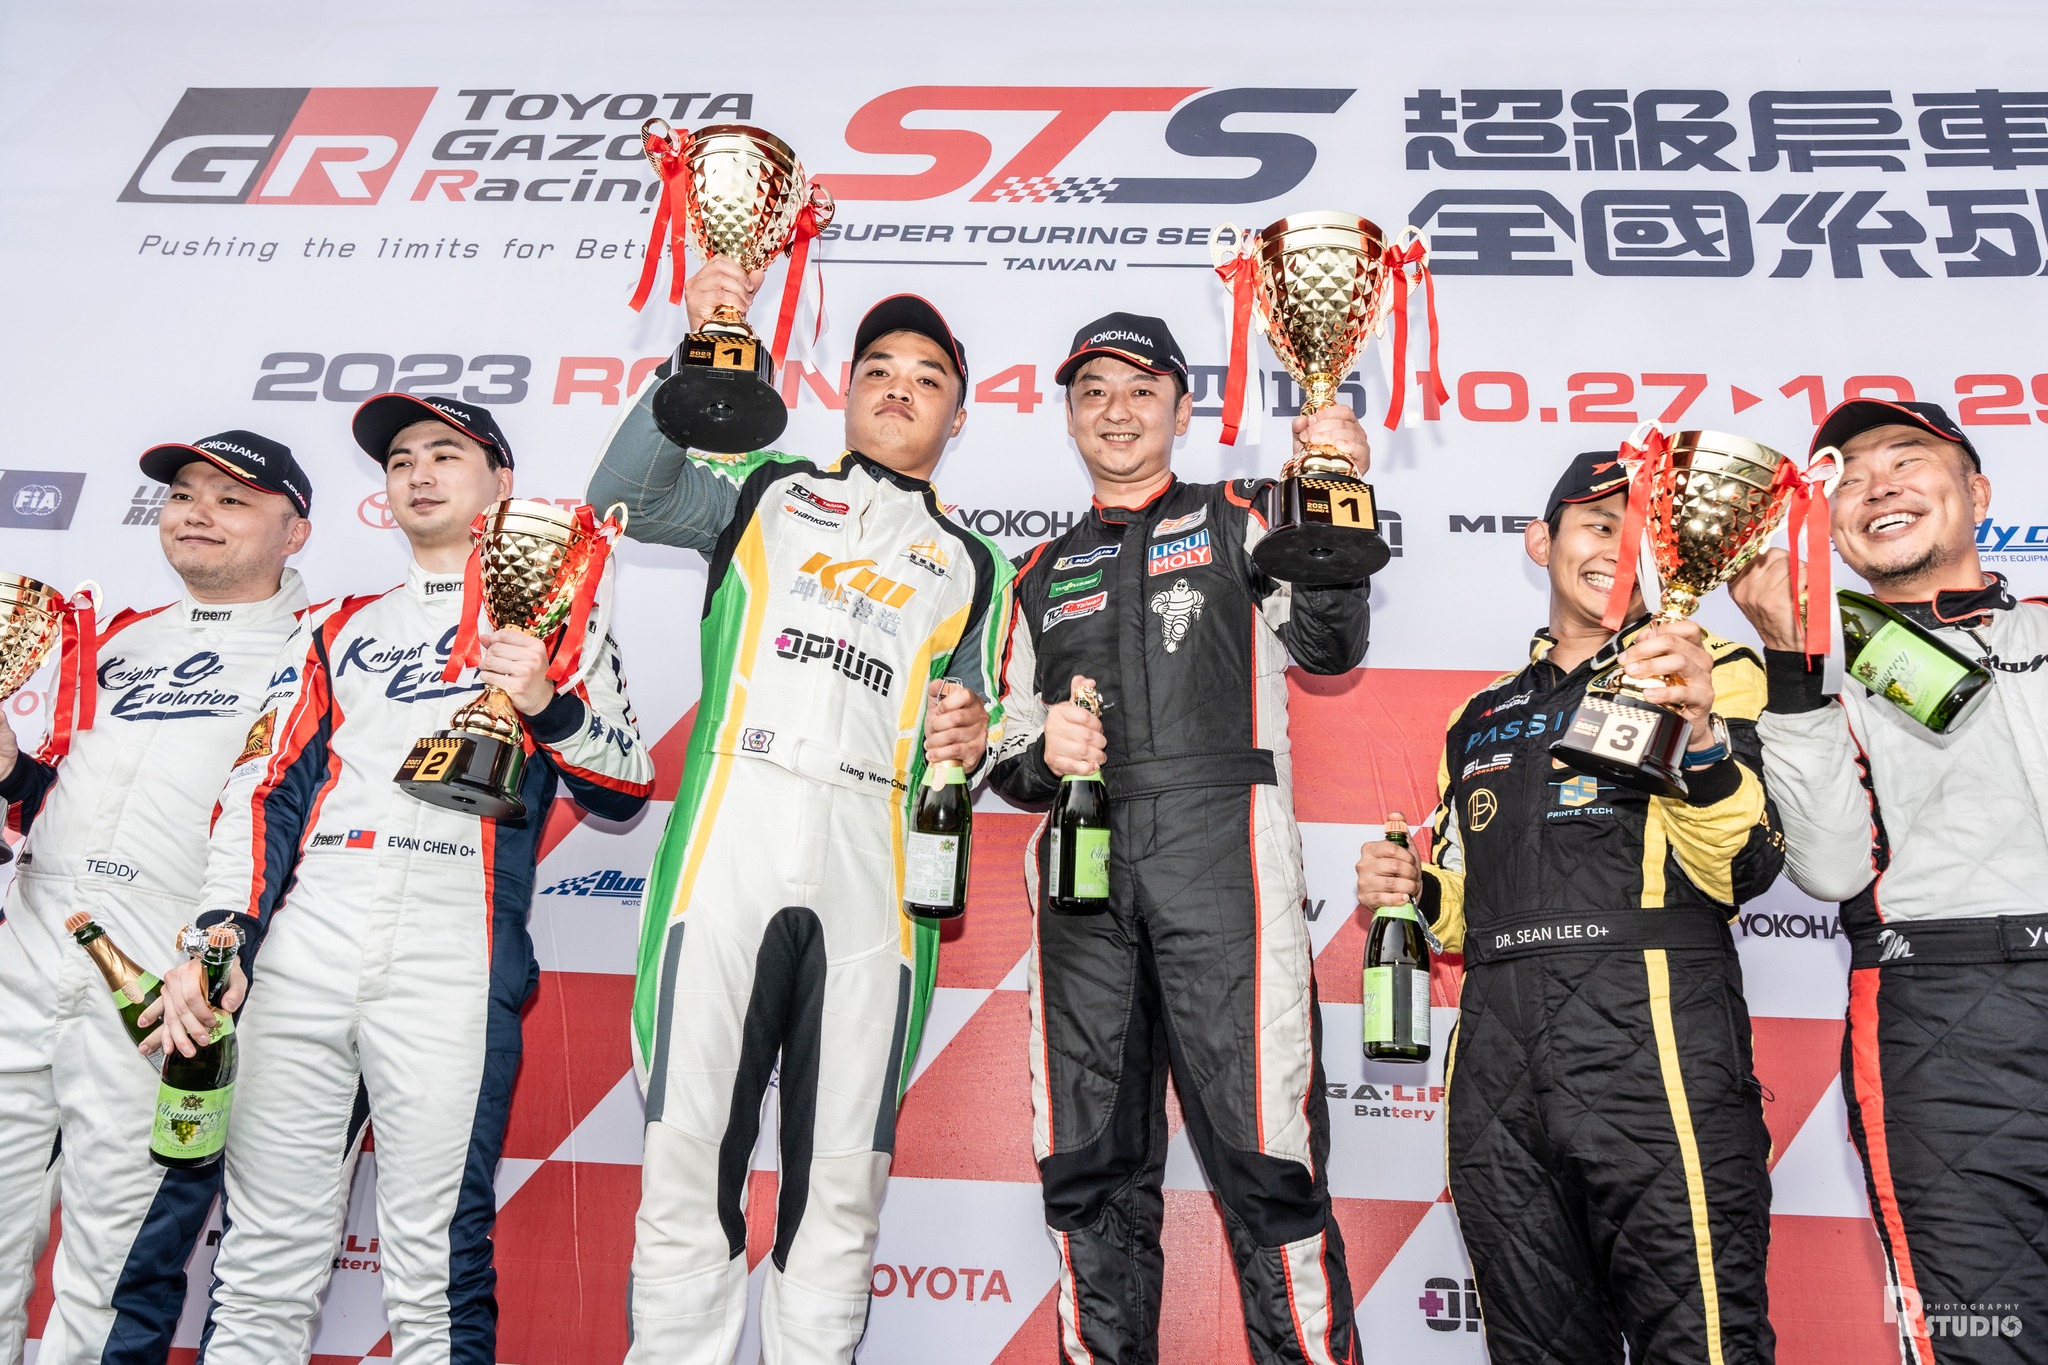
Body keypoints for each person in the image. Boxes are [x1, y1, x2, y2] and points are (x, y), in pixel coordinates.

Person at [145, 394, 653, 1365]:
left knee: (433, 1265)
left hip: (453, 943)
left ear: (501, 482)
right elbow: (264, 791)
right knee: (260, 1259)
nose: (418, 472)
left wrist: (544, 700)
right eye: (401, 459)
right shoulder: (336, 626)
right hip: (310, 936)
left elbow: (624, 786)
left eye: (445, 453)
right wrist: (224, 931)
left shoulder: (563, 612)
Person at [586, 269, 1012, 1365]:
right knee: (687, 1160)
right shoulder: (766, 490)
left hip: (876, 865)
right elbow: (622, 495)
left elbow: (980, 725)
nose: (900, 388)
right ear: (847, 391)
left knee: (841, 1186)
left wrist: (979, 729)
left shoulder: (977, 564)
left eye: (928, 378)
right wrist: (696, 350)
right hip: (732, 834)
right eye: (879, 369)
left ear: (958, 416)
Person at [988, 313, 1369, 1365]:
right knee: (1087, 1171)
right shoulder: (1034, 573)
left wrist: (1334, 497)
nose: (1117, 411)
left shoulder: (1241, 516)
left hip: (1225, 863)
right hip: (1081, 892)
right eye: (1093, 391)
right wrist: (1043, 752)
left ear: (1181, 408)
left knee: (1269, 1163)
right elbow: (1009, 757)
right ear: (1068, 414)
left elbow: (1330, 643)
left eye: (1141, 389)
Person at [1356, 448, 1784, 1365]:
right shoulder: (1479, 713)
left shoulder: (1715, 669)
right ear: (1539, 541)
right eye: (1598, 524)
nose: (1618, 550)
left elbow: (1744, 865)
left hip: (1655, 1040)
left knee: (1703, 1342)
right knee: (1536, 1345)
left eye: (1642, 534)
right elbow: (1466, 908)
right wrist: (1415, 891)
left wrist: (1700, 736)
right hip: (1498, 1061)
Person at [1730, 399, 2048, 1364]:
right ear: (1827, 525)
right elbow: (1831, 868)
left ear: (1977, 493)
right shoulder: (1815, 672)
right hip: (1940, 1022)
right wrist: (1794, 673)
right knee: (1981, 1335)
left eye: (1907, 460)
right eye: (1850, 479)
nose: (1878, 487)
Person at [0, 430, 312, 1365]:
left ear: (295, 530)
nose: (197, 512)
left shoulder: (317, 646)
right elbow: (53, 794)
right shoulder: (113, 636)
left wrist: (216, 951)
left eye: (231, 498)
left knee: (113, 1266)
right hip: (29, 941)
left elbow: (291, 816)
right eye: (182, 495)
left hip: (168, 975)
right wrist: (11, 771)